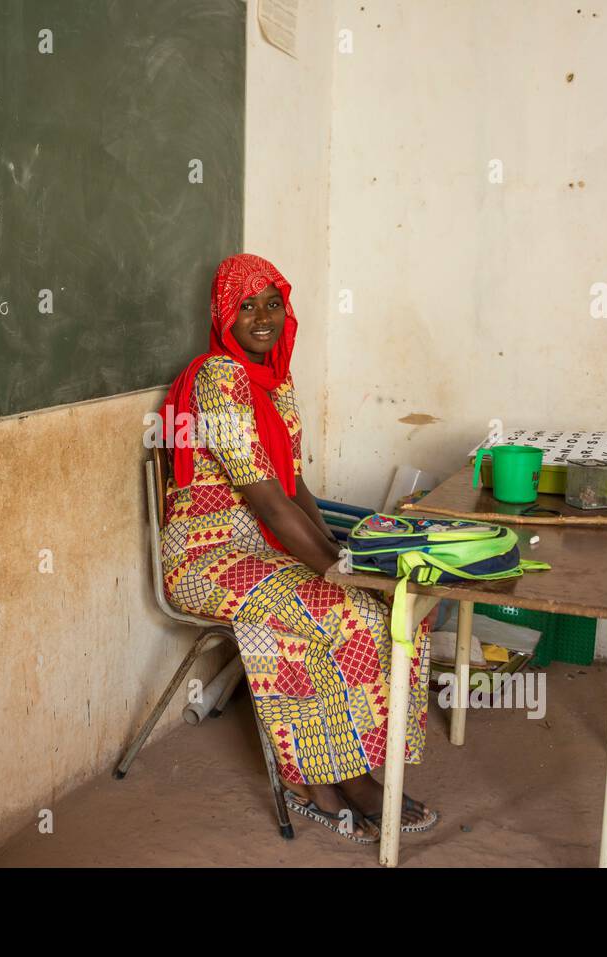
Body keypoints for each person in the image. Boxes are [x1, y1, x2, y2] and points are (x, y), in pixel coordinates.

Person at [158, 253, 437, 844]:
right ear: (222, 316)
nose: (262, 317)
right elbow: (266, 502)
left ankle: (352, 771)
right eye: (246, 306)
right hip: (207, 557)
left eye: (273, 303)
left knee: (377, 609)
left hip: (262, 549)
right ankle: (319, 779)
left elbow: (294, 487)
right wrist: (339, 571)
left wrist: (341, 552)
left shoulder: (275, 380)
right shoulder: (218, 379)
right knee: (341, 606)